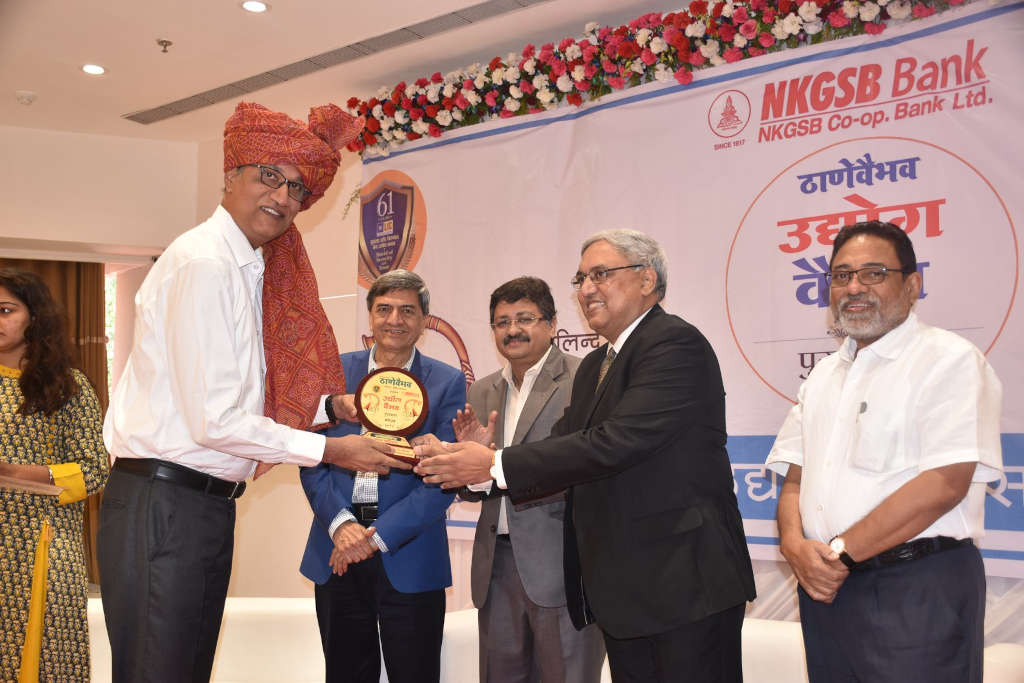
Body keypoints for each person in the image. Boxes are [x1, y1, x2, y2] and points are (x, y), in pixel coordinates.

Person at [98, 101, 410, 682]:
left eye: (296, 187)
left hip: (199, 506)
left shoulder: (246, 267)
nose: (283, 196)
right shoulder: (206, 264)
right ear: (230, 175)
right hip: (164, 503)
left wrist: (329, 408)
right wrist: (332, 448)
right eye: (269, 175)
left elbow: (241, 399)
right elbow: (214, 420)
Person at [416, 230, 756, 683]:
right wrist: (479, 461)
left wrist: (493, 464)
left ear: (647, 280)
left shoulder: (674, 343)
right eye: (581, 279)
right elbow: (564, 446)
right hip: (624, 590)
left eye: (600, 274)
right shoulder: (598, 364)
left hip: (685, 582)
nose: (586, 289)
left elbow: (615, 442)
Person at [766, 220, 1003, 683]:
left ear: (912, 285)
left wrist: (837, 554)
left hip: (917, 590)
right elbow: (795, 477)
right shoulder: (825, 374)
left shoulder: (948, 360)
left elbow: (944, 483)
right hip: (826, 591)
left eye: (873, 273)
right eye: (841, 275)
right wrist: (794, 548)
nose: (854, 287)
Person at [299, 269, 465, 683]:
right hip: (336, 551)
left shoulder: (447, 382)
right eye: (384, 309)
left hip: (408, 555)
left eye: (407, 311)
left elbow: (445, 477)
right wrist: (342, 526)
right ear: (370, 316)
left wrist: (373, 537)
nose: (395, 320)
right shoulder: (333, 372)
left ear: (424, 321)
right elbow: (311, 457)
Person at [454, 276, 605, 683]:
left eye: (525, 319)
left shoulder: (583, 379)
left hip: (563, 564)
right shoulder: (482, 391)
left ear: (552, 324)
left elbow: (591, 466)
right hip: (496, 568)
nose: (512, 330)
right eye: (502, 322)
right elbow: (476, 484)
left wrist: (492, 465)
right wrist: (471, 469)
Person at [0, 268, 109, 681]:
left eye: (6, 310)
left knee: (47, 662)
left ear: (35, 317)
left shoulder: (68, 387)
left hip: (44, 544)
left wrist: (14, 473)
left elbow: (94, 469)